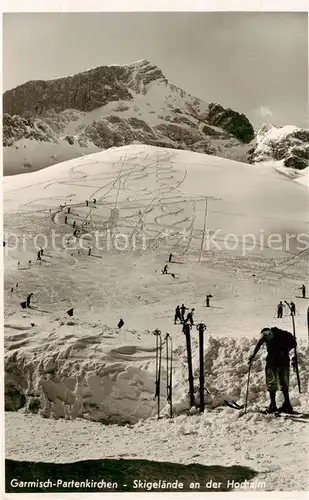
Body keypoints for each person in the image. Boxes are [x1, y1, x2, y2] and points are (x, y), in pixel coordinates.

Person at [248, 327, 296, 413]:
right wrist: (284, 351)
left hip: (272, 362)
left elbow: (260, 342)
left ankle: (273, 405)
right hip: (284, 362)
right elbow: (294, 344)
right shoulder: (282, 334)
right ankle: (287, 404)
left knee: (271, 382)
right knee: (284, 383)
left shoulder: (269, 333)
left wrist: (253, 355)